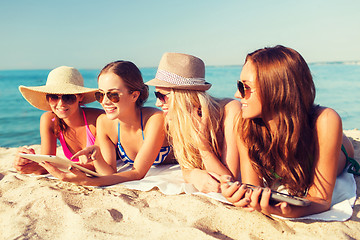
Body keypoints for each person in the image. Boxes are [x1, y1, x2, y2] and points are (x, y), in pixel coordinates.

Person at [220, 45, 356, 218]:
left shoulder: (326, 120)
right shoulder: (246, 125)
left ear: (276, 89)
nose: (237, 94)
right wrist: (241, 197)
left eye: (244, 87)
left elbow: (321, 199)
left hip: (337, 148)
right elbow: (252, 186)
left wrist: (289, 211)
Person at [40, 60, 172, 186]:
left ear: (134, 95)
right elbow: (109, 173)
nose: (105, 102)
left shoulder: (154, 119)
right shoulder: (104, 122)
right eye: (101, 95)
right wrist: (97, 156)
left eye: (113, 95)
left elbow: (138, 173)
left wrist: (87, 182)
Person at [145, 52, 241, 193]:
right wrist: (195, 175)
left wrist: (203, 146)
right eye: (156, 95)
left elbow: (229, 181)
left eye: (162, 96)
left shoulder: (230, 110)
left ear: (184, 96)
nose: (158, 103)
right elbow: (186, 167)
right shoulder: (176, 118)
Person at [14, 66, 103, 174]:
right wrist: (27, 163)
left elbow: (97, 167)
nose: (61, 104)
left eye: (68, 97)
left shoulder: (98, 119)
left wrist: (42, 167)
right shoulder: (49, 120)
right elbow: (46, 162)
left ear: (80, 97)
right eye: (54, 97)